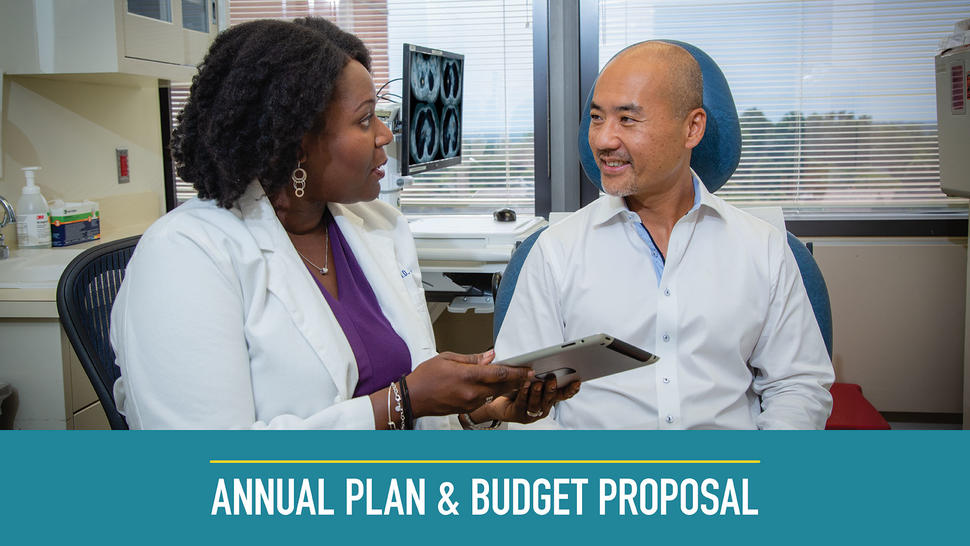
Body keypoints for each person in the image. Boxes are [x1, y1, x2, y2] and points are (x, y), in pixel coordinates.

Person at [110, 18, 577, 429]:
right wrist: (402, 403)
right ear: (295, 142)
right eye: (364, 120)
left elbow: (413, 398)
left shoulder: (376, 226)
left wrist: (478, 411)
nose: (386, 135)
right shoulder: (186, 254)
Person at [494, 41, 834, 429]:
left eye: (627, 119)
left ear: (692, 128)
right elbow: (524, 404)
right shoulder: (555, 250)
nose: (603, 140)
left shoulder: (764, 247)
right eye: (596, 117)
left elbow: (797, 387)